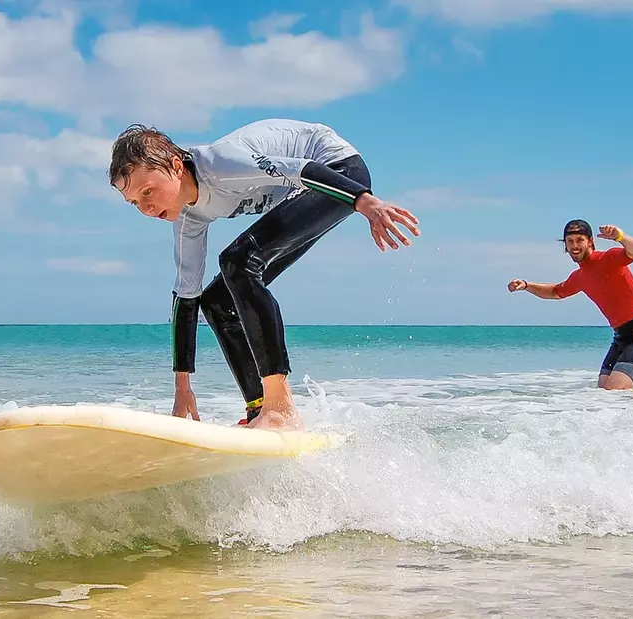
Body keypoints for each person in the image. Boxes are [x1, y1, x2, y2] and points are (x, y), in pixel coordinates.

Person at [108, 119, 420, 430]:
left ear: (176, 167)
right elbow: (186, 297)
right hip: (308, 187)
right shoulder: (188, 219)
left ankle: (280, 408)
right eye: (135, 202)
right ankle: (260, 409)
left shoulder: (221, 164)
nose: (145, 208)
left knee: (238, 262)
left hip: (337, 173)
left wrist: (367, 203)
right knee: (217, 302)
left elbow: (304, 171)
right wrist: (182, 389)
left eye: (148, 191)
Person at [507, 219, 633, 390]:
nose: (575, 245)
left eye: (579, 240)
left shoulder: (608, 258)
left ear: (590, 241)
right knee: (603, 389)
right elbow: (555, 292)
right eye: (570, 241)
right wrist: (527, 285)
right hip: (621, 337)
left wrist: (621, 237)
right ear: (565, 245)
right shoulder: (579, 277)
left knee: (615, 390)